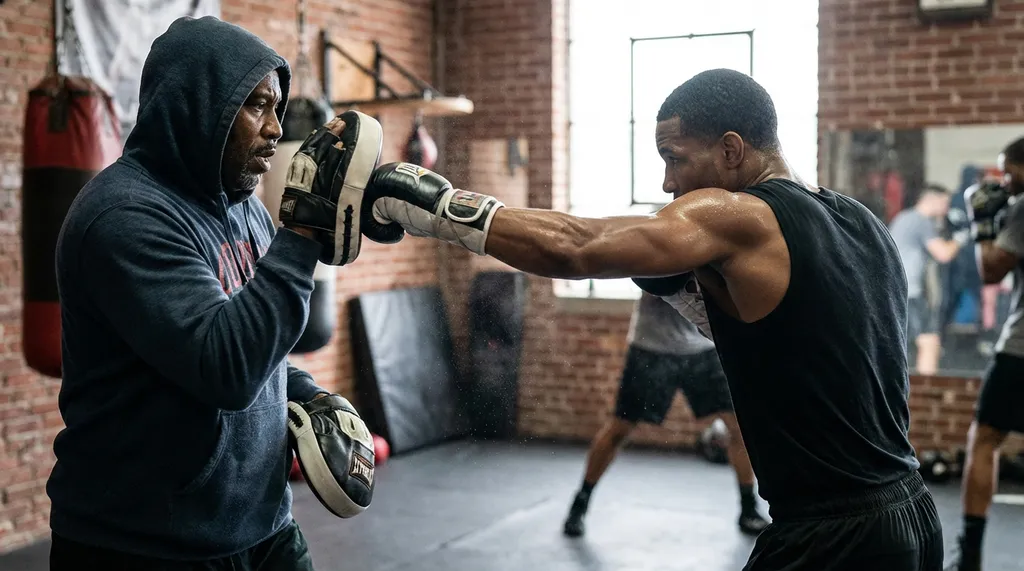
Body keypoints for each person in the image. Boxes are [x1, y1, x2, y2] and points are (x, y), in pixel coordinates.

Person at [361, 68, 944, 569]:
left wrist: (435, 209)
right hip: (912, 515)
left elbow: (576, 247)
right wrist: (694, 296)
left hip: (832, 535)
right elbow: (803, 346)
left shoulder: (743, 218)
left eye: (674, 158)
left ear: (732, 150)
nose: (668, 183)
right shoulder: (864, 223)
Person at [47, 16, 365, 570]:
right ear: (197, 104)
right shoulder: (124, 217)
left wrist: (305, 393)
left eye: (278, 109)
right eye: (257, 105)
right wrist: (304, 232)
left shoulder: (245, 209)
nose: (274, 129)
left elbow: (261, 355)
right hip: (143, 544)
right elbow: (227, 367)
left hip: (262, 527)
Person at [562, 292, 768, 538]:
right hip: (651, 346)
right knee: (620, 428)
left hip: (703, 348)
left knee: (738, 427)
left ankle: (749, 509)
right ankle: (580, 504)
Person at [945, 137, 1024, 571]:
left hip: (1020, 350)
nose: (1005, 181)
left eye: (1009, 171)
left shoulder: (1023, 207)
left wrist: (983, 223)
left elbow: (992, 270)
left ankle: (970, 552)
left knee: (985, 439)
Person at [888, 184, 967, 374]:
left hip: (894, 289)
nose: (947, 208)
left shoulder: (904, 218)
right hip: (908, 292)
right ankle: (928, 396)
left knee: (902, 345)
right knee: (930, 342)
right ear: (933, 200)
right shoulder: (921, 221)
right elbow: (944, 254)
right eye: (945, 203)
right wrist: (961, 237)